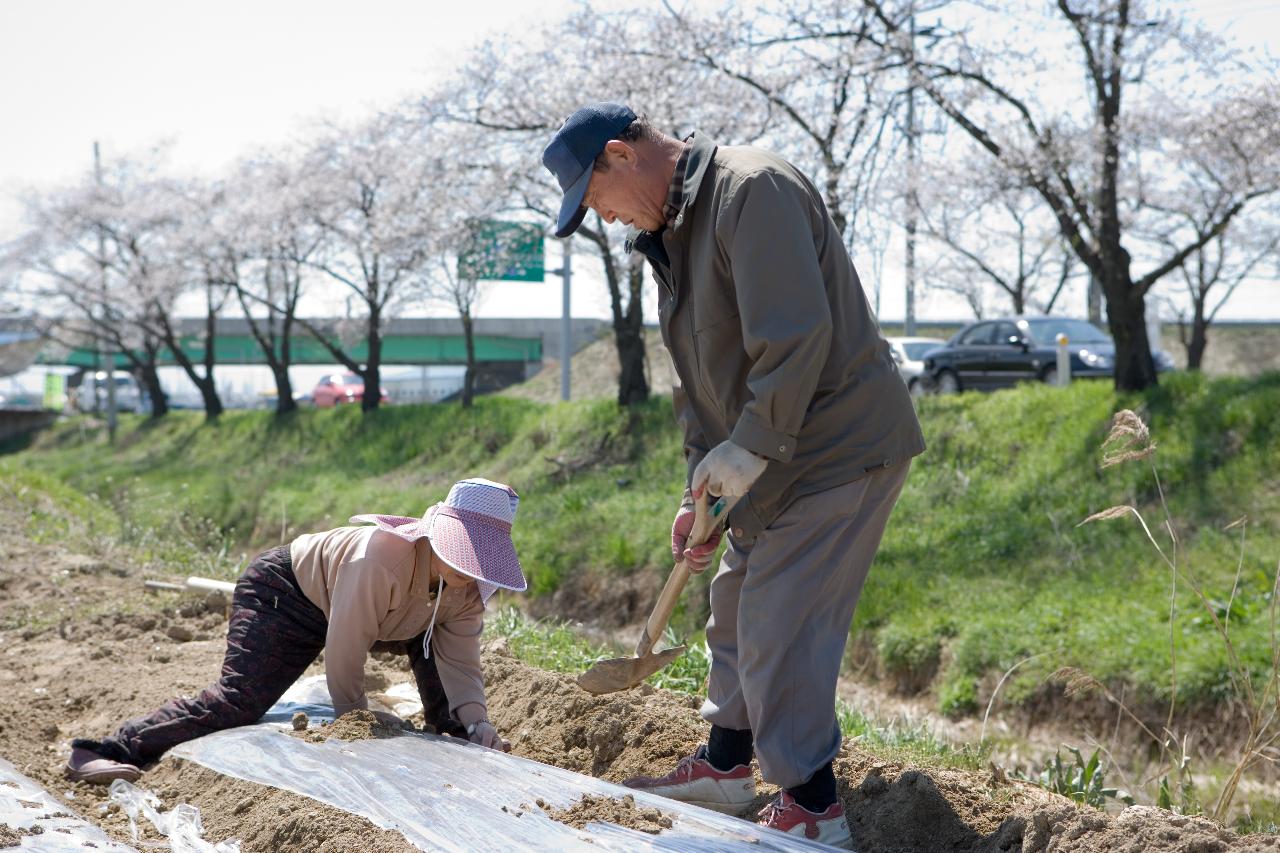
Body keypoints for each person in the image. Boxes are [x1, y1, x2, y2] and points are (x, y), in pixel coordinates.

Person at [542, 104, 924, 848]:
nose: (607, 218)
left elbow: (795, 333)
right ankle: (725, 765)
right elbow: (700, 384)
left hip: (836, 448)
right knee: (735, 598)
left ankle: (813, 804)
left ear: (622, 155)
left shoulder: (751, 190)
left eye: (596, 200)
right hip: (774, 456)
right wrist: (702, 486)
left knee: (779, 616)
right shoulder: (671, 242)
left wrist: (749, 448)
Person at [65, 478, 526, 784]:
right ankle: (106, 749)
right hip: (287, 594)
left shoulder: (468, 591)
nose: (470, 568)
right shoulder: (381, 558)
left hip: (395, 617)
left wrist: (477, 721)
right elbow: (346, 645)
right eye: (462, 551)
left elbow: (460, 659)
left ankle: (460, 739)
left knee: (455, 716)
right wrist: (355, 721)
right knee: (240, 701)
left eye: (479, 557)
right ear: (436, 535)